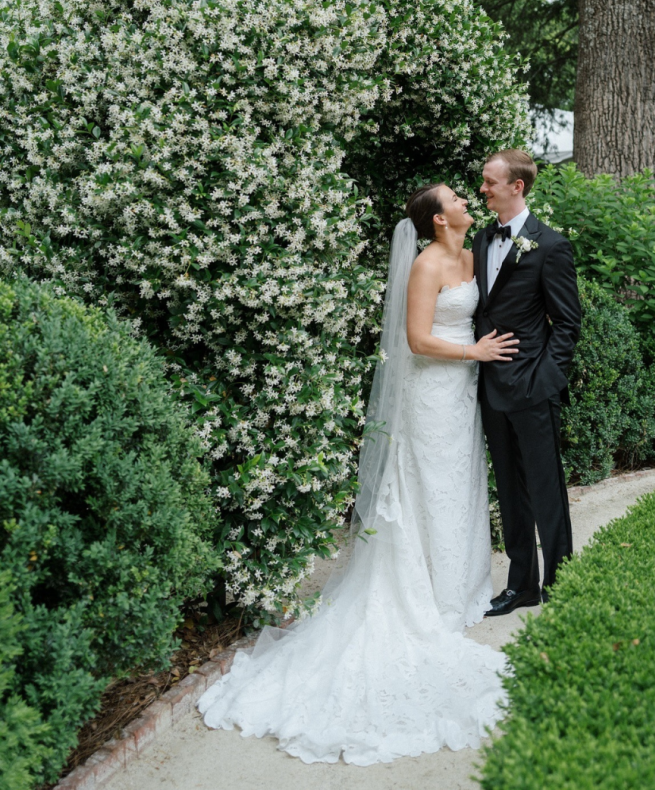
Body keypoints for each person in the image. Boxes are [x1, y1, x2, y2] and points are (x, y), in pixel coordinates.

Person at [197, 182, 517, 765]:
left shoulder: (474, 255)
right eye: (456, 200)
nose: (467, 202)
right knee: (429, 486)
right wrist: (473, 352)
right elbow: (416, 340)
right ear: (438, 219)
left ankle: (461, 586)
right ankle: (428, 594)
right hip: (431, 390)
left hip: (463, 393)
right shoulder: (426, 265)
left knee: (460, 485)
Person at [474, 149, 582, 618]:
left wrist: (544, 379)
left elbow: (568, 323)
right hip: (490, 389)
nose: (483, 189)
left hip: (533, 389)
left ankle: (561, 583)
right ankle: (522, 586)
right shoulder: (481, 239)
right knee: (510, 492)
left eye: (490, 182)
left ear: (516, 186)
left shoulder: (551, 245)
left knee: (546, 490)